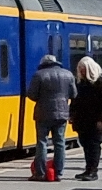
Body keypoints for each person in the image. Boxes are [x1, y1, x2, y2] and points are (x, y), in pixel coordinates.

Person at [26, 54, 75, 182]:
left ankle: (40, 173)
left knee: (42, 142)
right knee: (60, 142)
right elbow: (74, 94)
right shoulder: (68, 74)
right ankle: (59, 173)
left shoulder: (39, 75)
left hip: (43, 114)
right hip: (62, 113)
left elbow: (31, 95)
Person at [70, 57, 102, 181]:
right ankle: (88, 169)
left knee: (93, 146)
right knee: (85, 144)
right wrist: (71, 114)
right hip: (82, 120)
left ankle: (93, 171)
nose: (82, 72)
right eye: (80, 70)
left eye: (84, 70)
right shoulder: (80, 83)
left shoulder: (101, 82)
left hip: (96, 122)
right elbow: (75, 100)